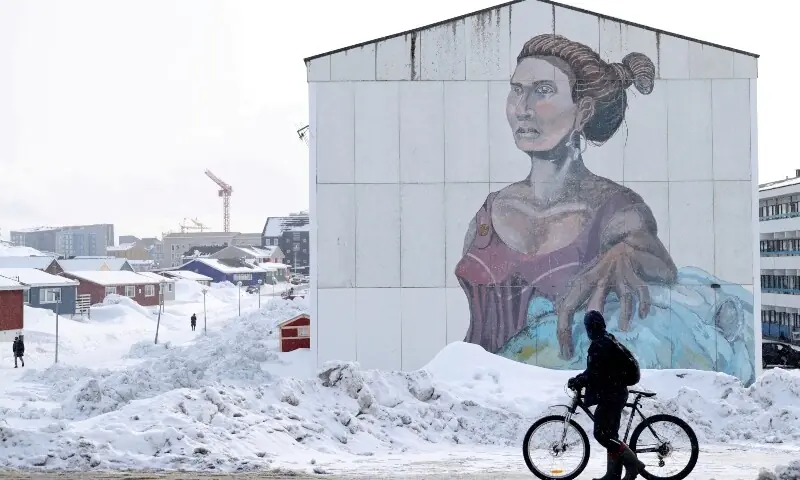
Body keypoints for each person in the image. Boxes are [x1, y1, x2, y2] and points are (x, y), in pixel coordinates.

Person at [568, 311, 645, 480]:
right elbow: (598, 371)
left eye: (587, 326)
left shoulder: (600, 344)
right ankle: (613, 475)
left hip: (612, 395)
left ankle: (633, 465)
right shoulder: (606, 339)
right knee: (611, 436)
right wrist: (582, 378)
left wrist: (579, 380)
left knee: (602, 434)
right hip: (614, 392)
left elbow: (594, 373)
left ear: (590, 328)